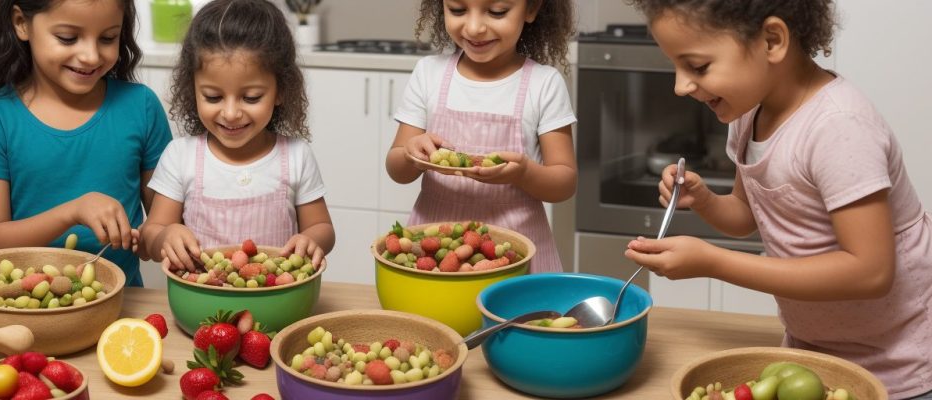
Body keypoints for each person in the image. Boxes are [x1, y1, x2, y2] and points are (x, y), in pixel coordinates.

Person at [622, 1, 932, 398]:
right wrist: (704, 201)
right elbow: (745, 216)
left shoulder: (839, 127)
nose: (680, 86)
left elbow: (870, 271)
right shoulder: (748, 116)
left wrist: (713, 262)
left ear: (772, 40)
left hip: (899, 364)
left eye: (697, 66)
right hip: (813, 352)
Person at [0, 0, 172, 287]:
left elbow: (161, 226)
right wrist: (74, 211)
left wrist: (159, 237)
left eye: (108, 38)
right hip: (30, 310)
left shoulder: (141, 106)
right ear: (22, 23)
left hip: (122, 306)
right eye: (68, 38)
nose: (90, 55)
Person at [140, 0, 334, 271]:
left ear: (280, 90)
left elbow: (321, 227)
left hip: (278, 301)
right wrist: (165, 235)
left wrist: (311, 240)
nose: (231, 113)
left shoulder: (296, 156)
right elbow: (150, 235)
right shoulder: (180, 156)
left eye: (251, 97)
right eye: (213, 96)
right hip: (202, 305)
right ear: (191, 88)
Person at [385, 0, 578, 273]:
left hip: (516, 252)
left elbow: (565, 181)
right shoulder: (429, 74)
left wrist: (523, 173)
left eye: (497, 11)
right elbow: (397, 169)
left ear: (531, 9)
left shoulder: (543, 83)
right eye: (458, 10)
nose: (474, 28)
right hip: (437, 247)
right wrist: (410, 153)